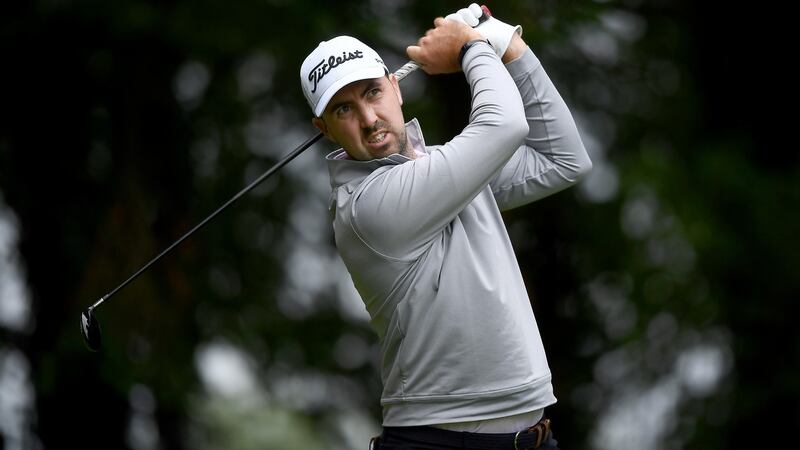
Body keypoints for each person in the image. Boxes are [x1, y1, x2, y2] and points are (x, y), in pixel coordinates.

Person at [299, 4, 592, 449]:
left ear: (396, 88)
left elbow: (564, 160)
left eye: (372, 93)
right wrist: (473, 45)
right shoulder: (367, 208)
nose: (369, 118)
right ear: (323, 127)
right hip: (439, 441)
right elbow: (505, 125)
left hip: (532, 437)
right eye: (344, 109)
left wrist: (511, 46)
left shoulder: (442, 169)